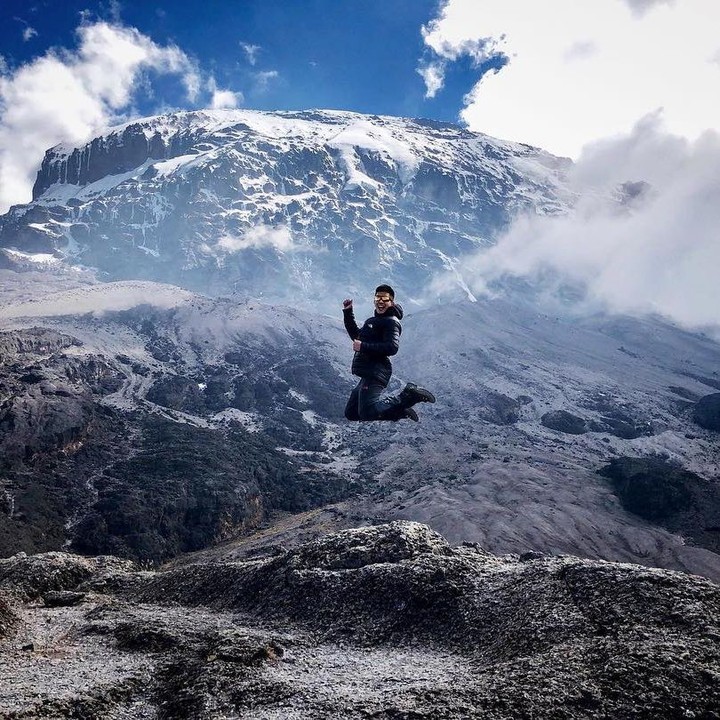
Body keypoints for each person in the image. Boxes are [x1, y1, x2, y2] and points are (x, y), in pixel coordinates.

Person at [342, 284, 435, 422]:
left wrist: (363, 347)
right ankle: (398, 410)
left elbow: (392, 347)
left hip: (376, 371)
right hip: (367, 371)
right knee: (352, 413)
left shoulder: (391, 322)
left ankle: (408, 396)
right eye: (378, 297)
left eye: (385, 298)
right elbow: (357, 336)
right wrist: (348, 313)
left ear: (391, 302)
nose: (380, 301)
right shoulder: (372, 321)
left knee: (368, 413)